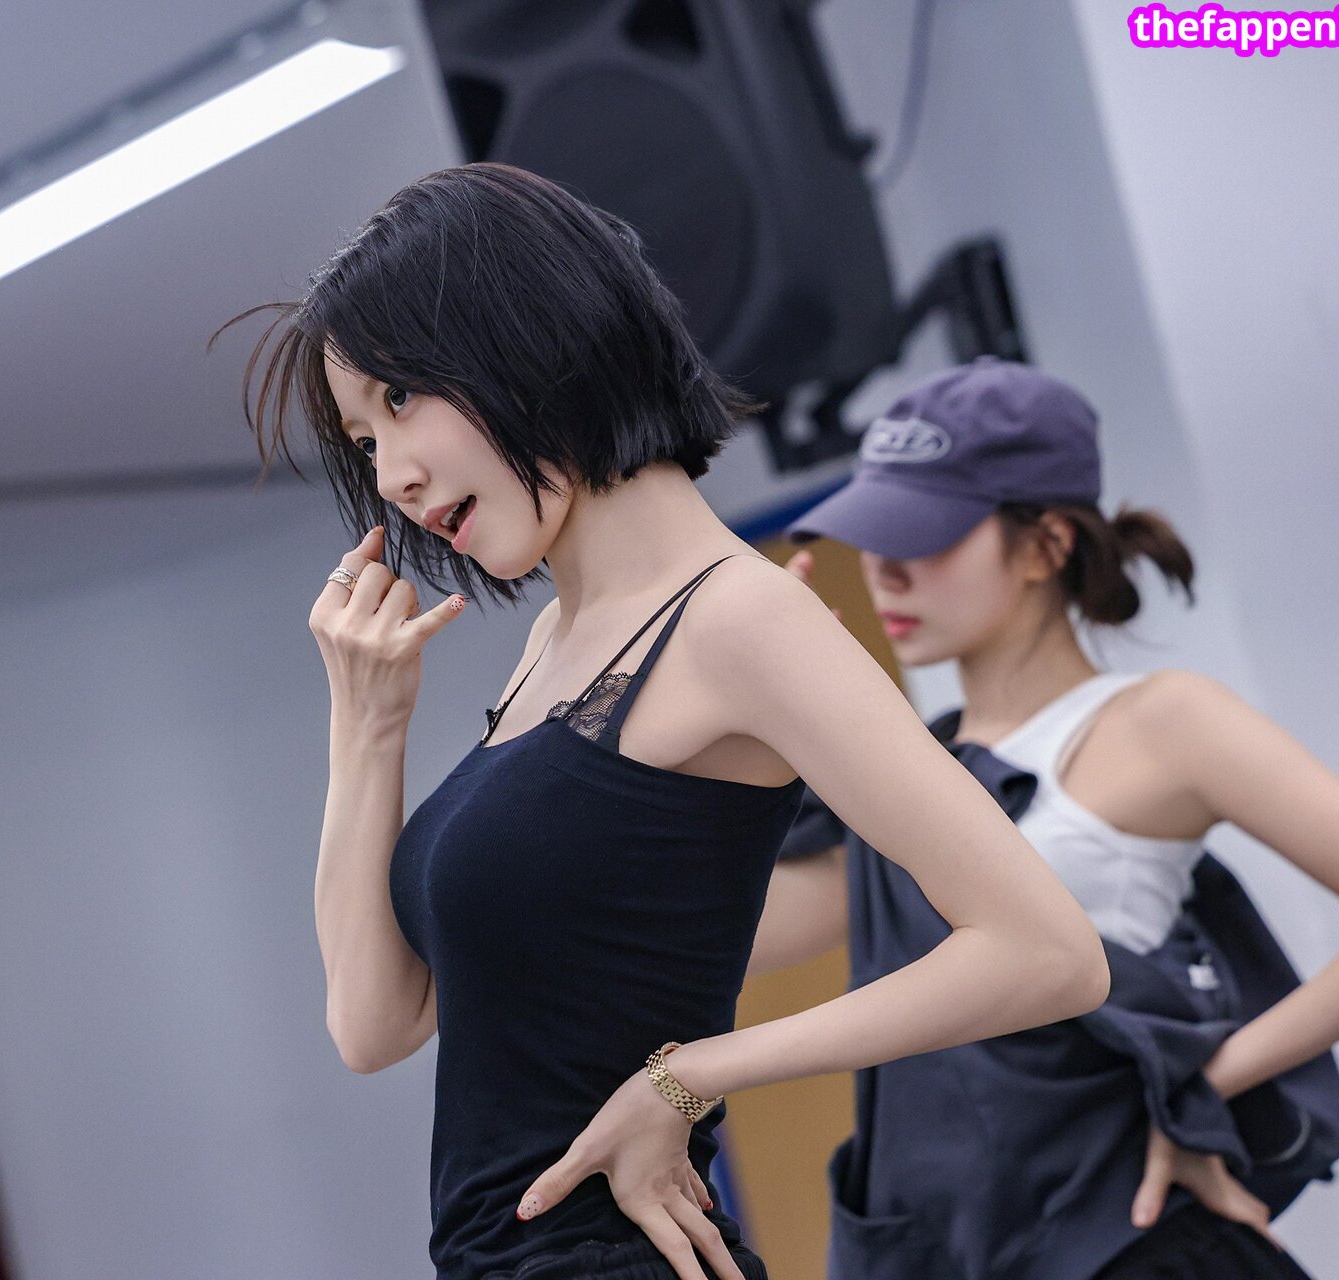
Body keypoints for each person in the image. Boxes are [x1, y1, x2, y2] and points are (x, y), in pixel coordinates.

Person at [219, 165, 1112, 1280]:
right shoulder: (553, 642)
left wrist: (690, 1077)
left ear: (524, 334)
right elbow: (373, 1023)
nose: (391, 475)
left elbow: (1048, 952)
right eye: (361, 442)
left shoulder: (740, 617)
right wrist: (366, 725)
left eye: (399, 400)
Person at [761, 357, 1339, 1279]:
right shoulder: (911, 774)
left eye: (923, 535)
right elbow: (741, 940)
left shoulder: (1157, 721)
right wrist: (764, 719)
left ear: (1046, 545)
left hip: (1135, 1239)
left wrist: (1203, 1088)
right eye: (872, 536)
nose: (885, 572)